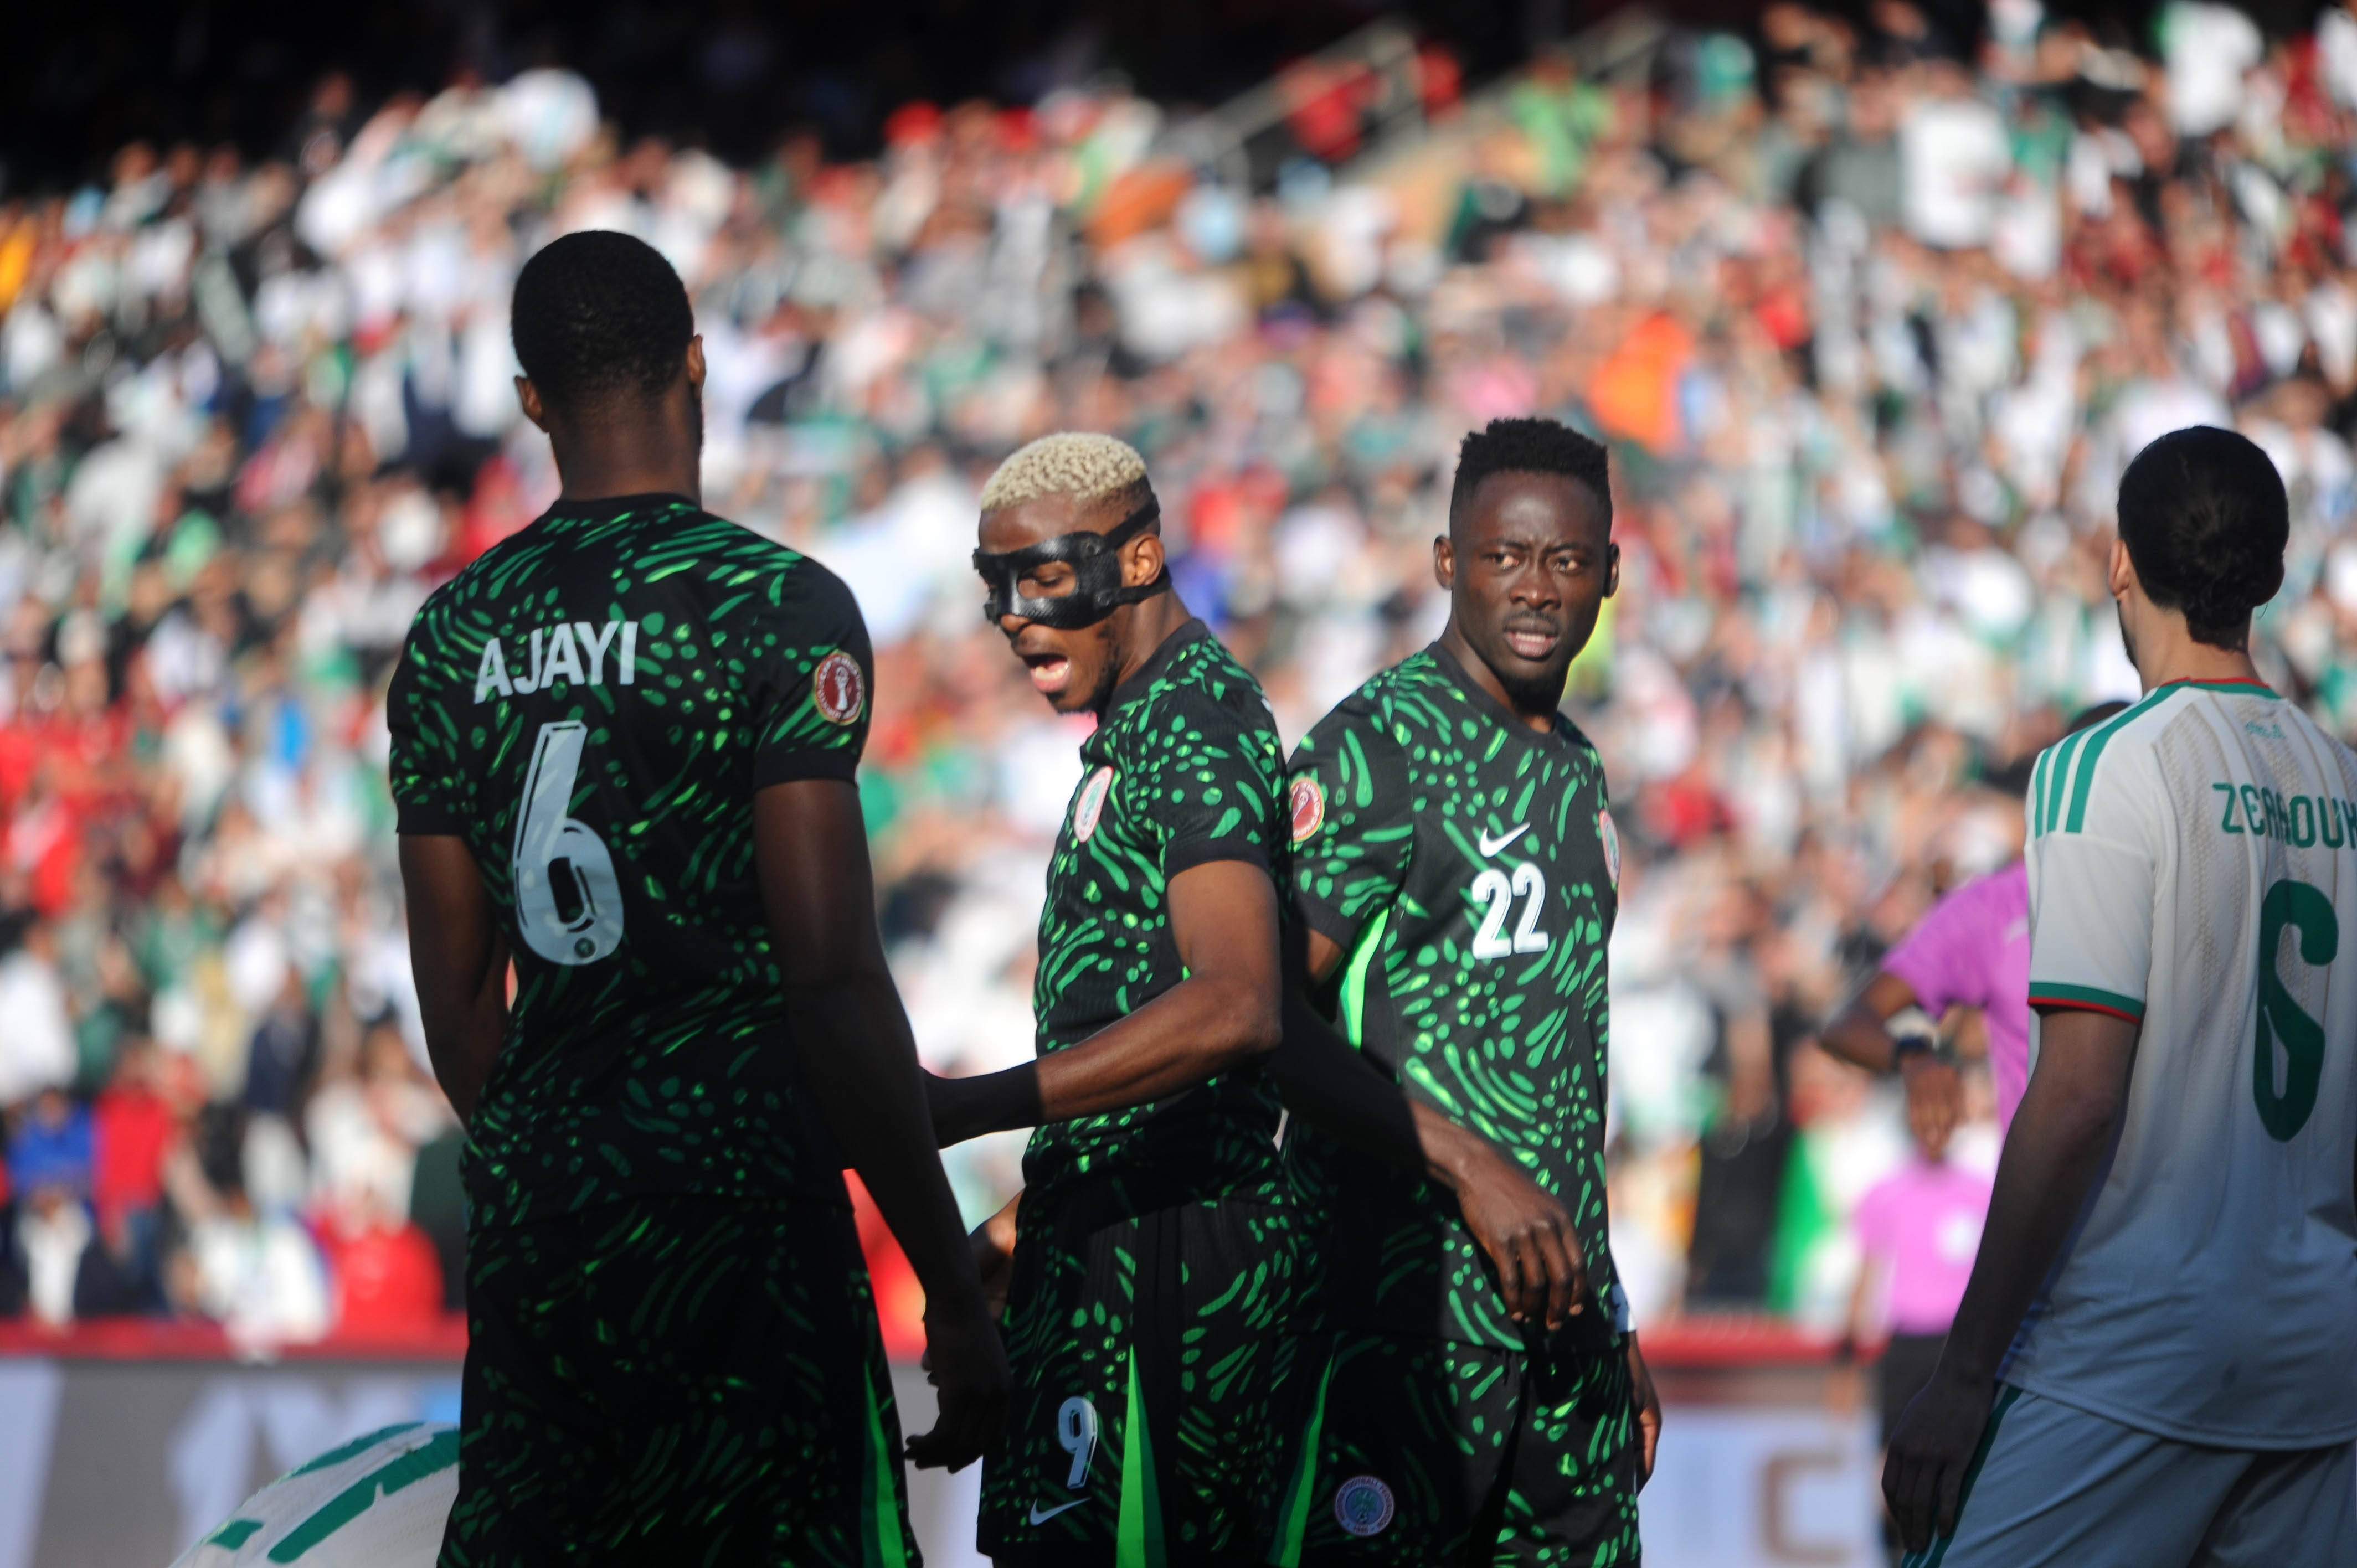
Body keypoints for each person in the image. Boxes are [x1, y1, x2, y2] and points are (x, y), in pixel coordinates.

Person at [388, 230, 1006, 1566]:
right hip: (745, 1221)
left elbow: (454, 1006)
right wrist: (947, 1288)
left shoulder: (450, 636)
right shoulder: (773, 609)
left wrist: (573, 1163)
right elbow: (832, 972)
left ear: (532, 399)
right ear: (698, 365)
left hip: (549, 1227)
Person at [1885, 425, 2357, 1565]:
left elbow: (2080, 1093)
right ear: (2274, 574)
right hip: (2322, 1354)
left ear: (2116, 560)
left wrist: (1962, 1372)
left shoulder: (2106, 763)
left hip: (2137, 1346)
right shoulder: (2343, 777)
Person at [1264, 418, 1658, 1566]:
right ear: (1448, 560)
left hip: (1564, 1347)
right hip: (1401, 1335)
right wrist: (1470, 1167)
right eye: (1503, 557)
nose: (1536, 589)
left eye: (1567, 562)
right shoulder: (1372, 749)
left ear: (1609, 575)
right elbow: (1260, 1024)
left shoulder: (1579, 771)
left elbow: (1560, 1081)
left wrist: (1610, 1308)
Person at [925, 431, 1296, 1566]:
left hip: (1174, 1303)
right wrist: (1021, 1229)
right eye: (996, 584)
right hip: (1097, 1271)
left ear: (1136, 563)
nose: (1012, 612)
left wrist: (967, 1107)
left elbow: (1238, 1004)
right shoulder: (1125, 738)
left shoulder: (1196, 717)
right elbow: (1137, 1054)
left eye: (1042, 575)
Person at [1820, 702, 2131, 1144]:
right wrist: (1913, 1056)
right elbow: (1851, 1022)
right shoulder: (1997, 906)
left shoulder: (2195, 893)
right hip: (2057, 1204)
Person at [1841, 1067, 1992, 1554]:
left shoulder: (1982, 1192)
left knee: (1960, 1466)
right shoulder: (1885, 1192)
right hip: (1905, 1347)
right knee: (1890, 1467)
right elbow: (1866, 1274)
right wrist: (1845, 1358)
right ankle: (1896, 1552)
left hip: (1958, 1347)